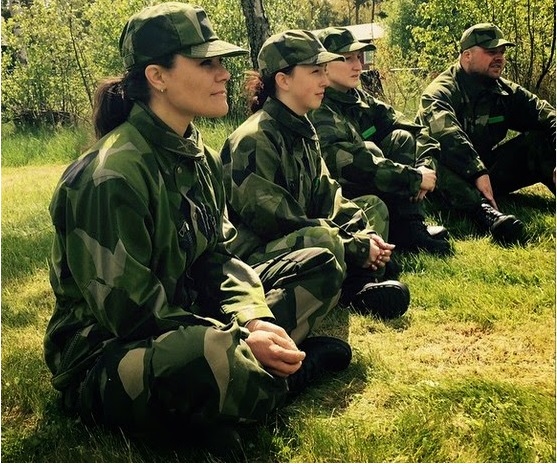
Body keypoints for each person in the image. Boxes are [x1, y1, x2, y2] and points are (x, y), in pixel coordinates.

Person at [43, 3, 353, 446]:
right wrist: (239, 335)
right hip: (107, 353)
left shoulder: (198, 156)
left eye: (222, 62)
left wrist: (253, 316)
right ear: (158, 76)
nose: (224, 74)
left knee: (319, 262)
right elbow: (131, 312)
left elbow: (218, 257)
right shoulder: (111, 176)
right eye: (206, 63)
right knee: (208, 352)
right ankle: (276, 378)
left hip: (190, 312)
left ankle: (244, 376)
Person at [220, 29, 411, 321]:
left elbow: (329, 194)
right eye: (314, 72)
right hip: (256, 254)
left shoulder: (302, 129)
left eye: (324, 71)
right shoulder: (254, 138)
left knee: (372, 208)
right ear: (283, 80)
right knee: (325, 239)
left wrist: (364, 231)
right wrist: (354, 245)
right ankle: (355, 285)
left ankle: (356, 284)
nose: (324, 80)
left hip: (300, 237)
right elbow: (276, 220)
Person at [309, 27, 452, 256]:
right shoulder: (319, 107)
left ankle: (409, 225)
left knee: (401, 138)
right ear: (323, 64)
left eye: (358, 58)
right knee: (369, 149)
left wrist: (425, 165)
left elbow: (414, 129)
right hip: (339, 196)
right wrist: (414, 178)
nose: (358, 66)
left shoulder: (359, 98)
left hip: (376, 184)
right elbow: (354, 164)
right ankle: (397, 230)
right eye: (347, 59)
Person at [416, 22, 556, 245]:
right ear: (467, 55)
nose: (499, 57)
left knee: (539, 141)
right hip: (446, 176)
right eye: (491, 52)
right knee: (436, 162)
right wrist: (477, 172)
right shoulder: (440, 92)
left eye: (502, 52)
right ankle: (485, 214)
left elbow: (545, 114)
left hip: (485, 173)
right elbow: (449, 136)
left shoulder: (503, 90)